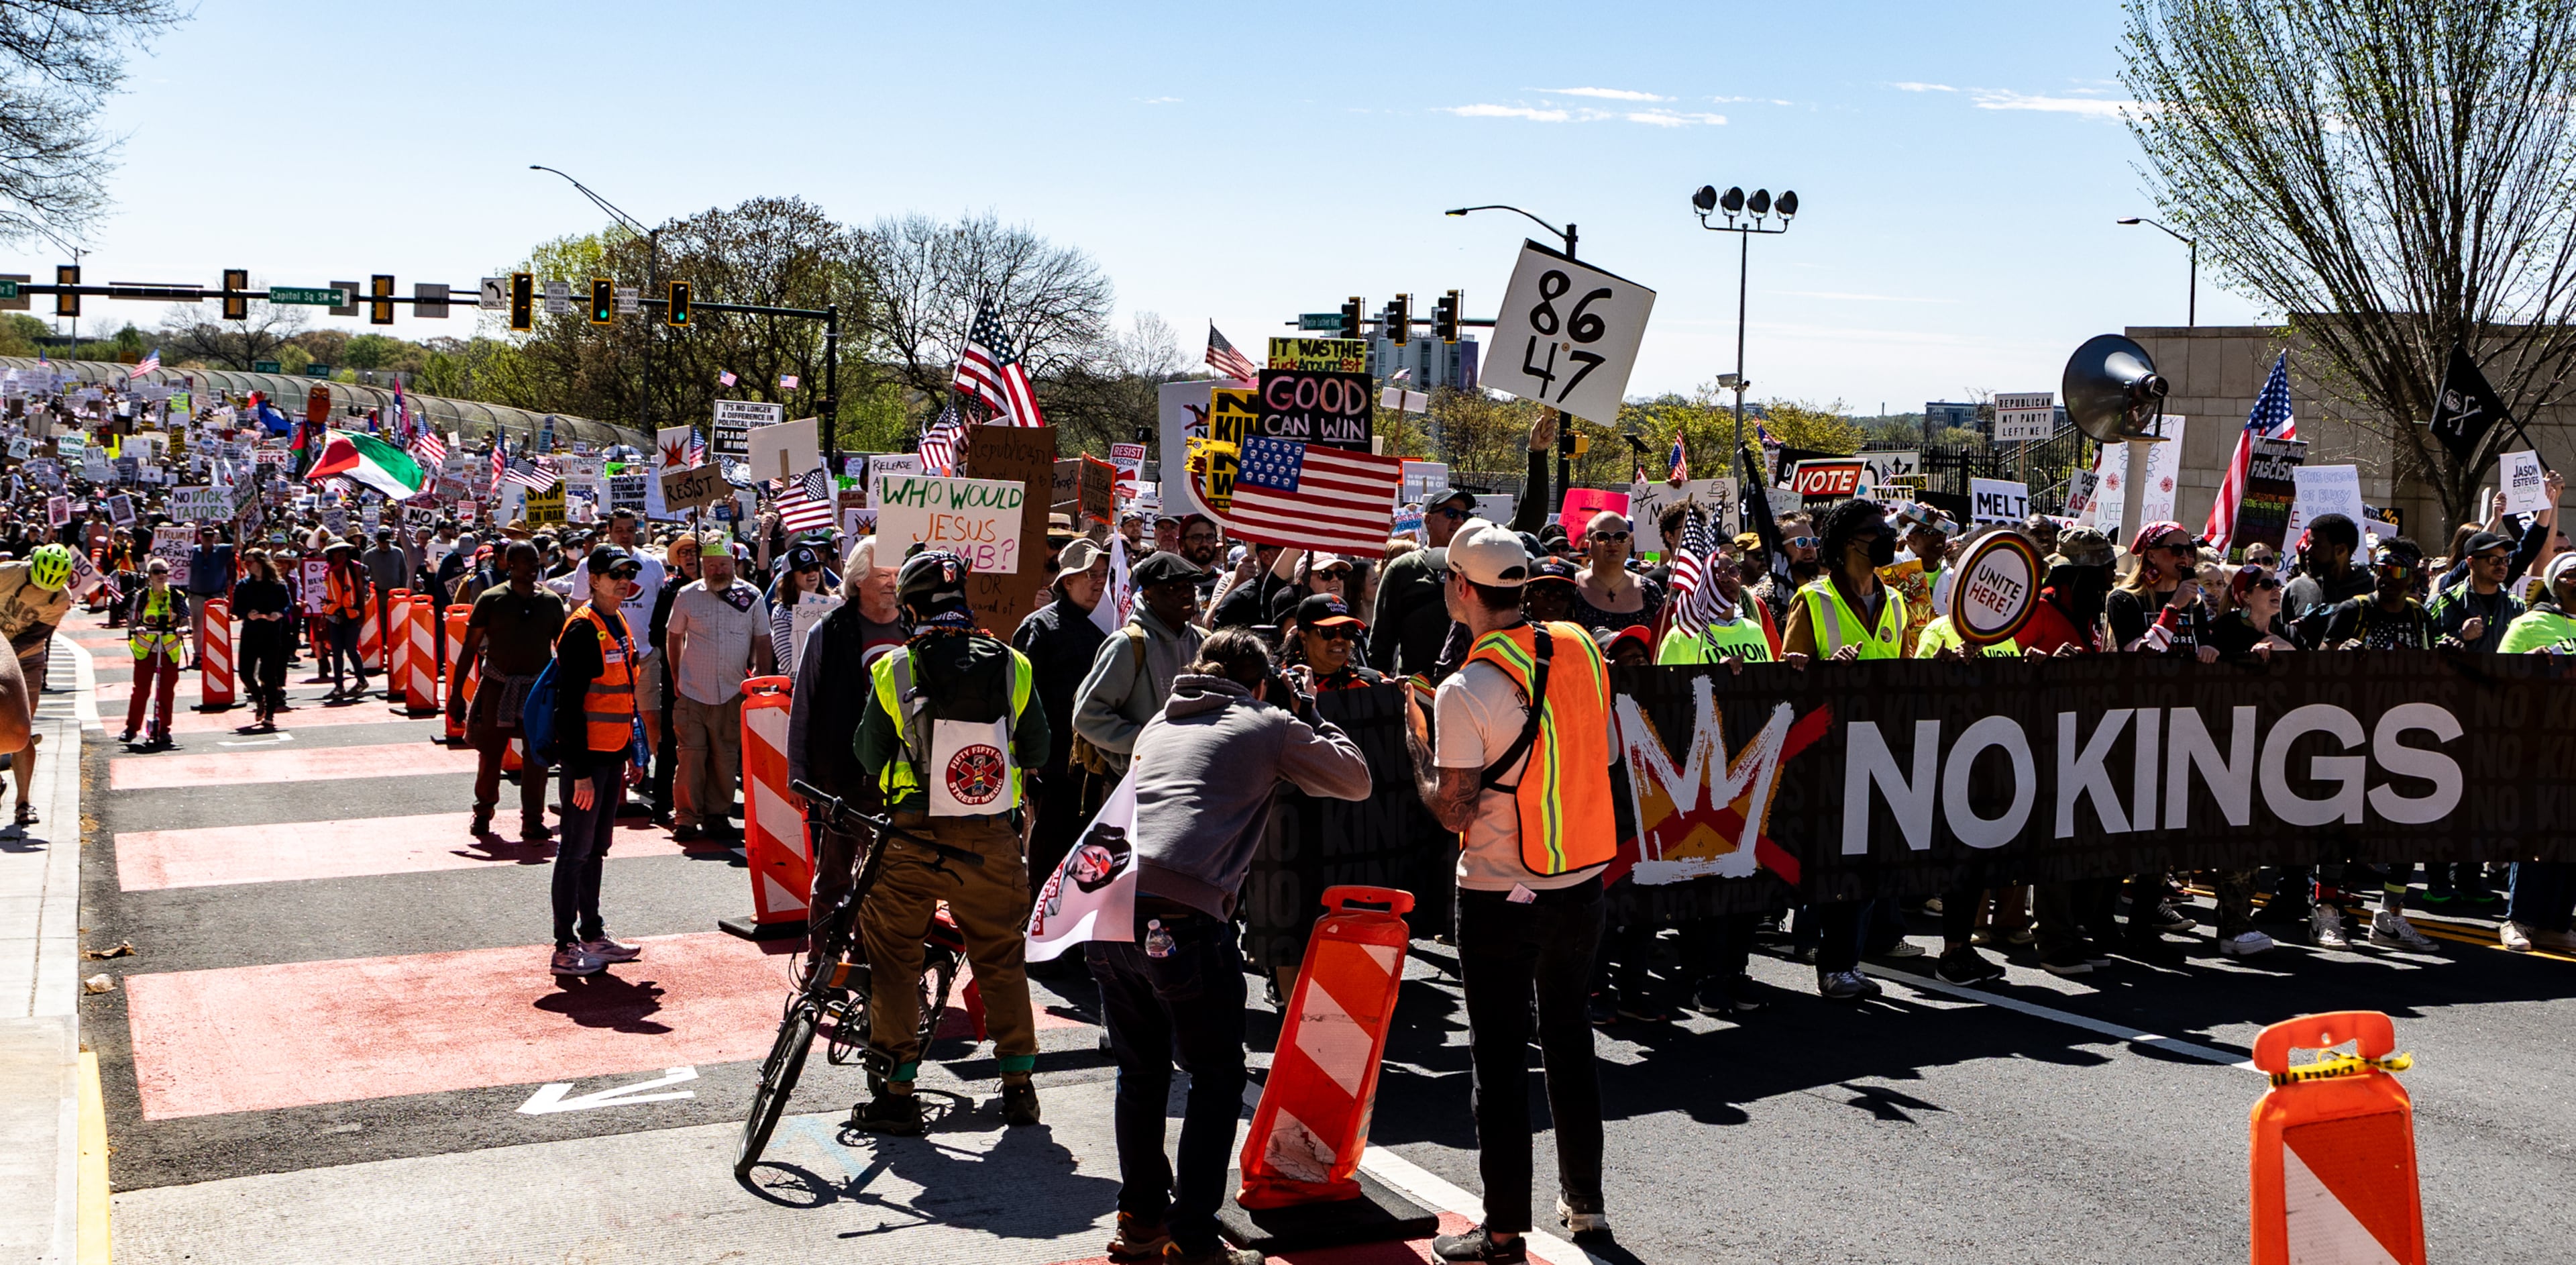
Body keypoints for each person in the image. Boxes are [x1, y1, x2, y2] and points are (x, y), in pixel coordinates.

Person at [1091, 627, 1371, 1265]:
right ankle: (1192, 1237)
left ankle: (1140, 1221)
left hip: (1109, 912)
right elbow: (1354, 779)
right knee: (1216, 1077)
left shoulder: (1158, 723)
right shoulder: (1266, 720)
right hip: (1182, 919)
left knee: (1141, 1072)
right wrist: (1308, 710)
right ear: (1262, 682)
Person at [1405, 518, 1618, 1260]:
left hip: (1500, 890)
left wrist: (1418, 751)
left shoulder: (1467, 688)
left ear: (1461, 589)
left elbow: (1454, 808)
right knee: (1568, 1038)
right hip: (1582, 880)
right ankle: (1585, 1205)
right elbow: (1605, 751)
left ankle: (1502, 1234)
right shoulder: (1582, 648)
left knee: (1498, 1059)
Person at [849, 550, 1050, 1135]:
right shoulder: (1014, 664)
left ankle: (897, 1091)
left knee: (894, 962)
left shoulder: (894, 669)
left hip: (911, 838)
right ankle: (1018, 1087)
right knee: (1001, 959)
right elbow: (1036, 752)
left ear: (911, 609)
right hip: (989, 837)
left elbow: (868, 756)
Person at [788, 535, 912, 960]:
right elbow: (803, 702)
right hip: (843, 775)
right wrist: (798, 771)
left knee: (887, 879)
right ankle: (821, 964)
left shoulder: (917, 629)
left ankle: (868, 963)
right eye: (882, 575)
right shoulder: (830, 630)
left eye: (897, 574)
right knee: (835, 876)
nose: (892, 583)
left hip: (905, 777)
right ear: (859, 581)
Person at [544, 546, 649, 978]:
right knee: (574, 851)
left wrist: (633, 753)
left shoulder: (617, 621)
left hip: (611, 754)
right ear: (593, 579)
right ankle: (565, 945)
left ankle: (592, 934)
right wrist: (581, 773)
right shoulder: (583, 628)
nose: (623, 580)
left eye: (627, 573)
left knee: (596, 850)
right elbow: (568, 708)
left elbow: (623, 692)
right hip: (586, 762)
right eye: (614, 574)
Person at [1013, 537, 1111, 905]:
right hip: (1055, 769)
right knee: (1052, 856)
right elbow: (1021, 697)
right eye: (1089, 574)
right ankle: (1043, 929)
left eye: (1103, 573)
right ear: (1067, 581)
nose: (1098, 581)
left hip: (1104, 769)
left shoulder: (1112, 624)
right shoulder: (1040, 627)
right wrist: (1025, 759)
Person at [453, 542, 566, 841]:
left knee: (537, 756)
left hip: (537, 691)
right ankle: (483, 812)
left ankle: (532, 819)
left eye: (535, 561)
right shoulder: (491, 600)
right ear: (509, 563)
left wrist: (566, 694)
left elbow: (564, 651)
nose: (533, 566)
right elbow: (469, 648)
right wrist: (454, 695)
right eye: (525, 561)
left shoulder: (552, 603)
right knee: (490, 754)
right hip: (497, 686)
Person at [664, 532, 771, 842]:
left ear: (733, 563)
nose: (717, 571)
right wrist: (675, 676)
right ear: (703, 565)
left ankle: (717, 815)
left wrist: (761, 680)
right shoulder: (687, 595)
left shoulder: (752, 596)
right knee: (691, 756)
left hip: (733, 691)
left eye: (723, 565)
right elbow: (674, 636)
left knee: (725, 757)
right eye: (711, 566)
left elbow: (762, 639)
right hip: (693, 691)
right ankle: (685, 817)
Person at [1073, 551, 1210, 779]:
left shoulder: (1204, 642)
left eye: (1188, 586)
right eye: (1172, 588)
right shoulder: (1128, 644)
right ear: (1148, 594)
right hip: (1136, 781)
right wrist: (1146, 741)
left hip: (1192, 774)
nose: (1186, 594)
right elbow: (1088, 716)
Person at [123, 557, 190, 748]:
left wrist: (183, 629)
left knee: (167, 692)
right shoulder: (142, 596)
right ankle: (131, 728)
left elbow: (185, 619)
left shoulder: (177, 596)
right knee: (141, 691)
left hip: (169, 650)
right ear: (150, 576)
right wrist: (139, 628)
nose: (161, 576)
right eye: (157, 572)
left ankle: (164, 730)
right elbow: (132, 620)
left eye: (165, 572)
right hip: (146, 650)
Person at [2282, 513, 2373, 648]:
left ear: (2341, 550)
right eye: (2309, 543)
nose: (2308, 550)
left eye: (2316, 545)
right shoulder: (2295, 589)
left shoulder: (2372, 590)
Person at [2428, 530, 2522, 657]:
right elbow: (2421, 646)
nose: (2502, 566)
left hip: (2501, 677)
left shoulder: (2517, 605)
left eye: (2505, 560)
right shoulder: (2443, 602)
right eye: (2494, 560)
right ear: (2471, 562)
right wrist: (2460, 635)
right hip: (2457, 676)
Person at [231, 549, 294, 731]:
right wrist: (247, 614)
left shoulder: (277, 584)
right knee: (245, 674)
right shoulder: (243, 585)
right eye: (245, 563)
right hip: (251, 632)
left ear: (260, 562)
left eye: (250, 562)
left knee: (268, 675)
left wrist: (279, 614)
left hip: (271, 633)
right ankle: (260, 699)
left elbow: (288, 604)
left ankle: (270, 714)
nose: (247, 566)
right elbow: (236, 608)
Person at [1571, 511, 1662, 634]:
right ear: (1588, 545)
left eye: (1621, 537)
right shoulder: (1571, 588)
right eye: (1603, 537)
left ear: (1629, 542)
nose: (1612, 543)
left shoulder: (1650, 591)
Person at [320, 540, 373, 700]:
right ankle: (339, 687)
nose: (341, 553)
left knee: (351, 649)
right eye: (336, 551)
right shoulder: (327, 571)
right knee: (336, 652)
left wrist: (363, 615)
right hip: (335, 615)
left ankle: (362, 681)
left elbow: (360, 590)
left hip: (353, 614)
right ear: (331, 554)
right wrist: (325, 615)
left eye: (343, 550)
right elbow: (330, 595)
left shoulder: (354, 567)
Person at [182, 523, 233, 668]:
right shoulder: (191, 551)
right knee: (198, 627)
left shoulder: (221, 550)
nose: (208, 538)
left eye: (211, 535)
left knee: (218, 627)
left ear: (215, 537)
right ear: (200, 536)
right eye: (206, 535)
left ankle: (217, 654)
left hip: (216, 594)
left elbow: (237, 546)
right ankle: (198, 655)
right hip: (196, 595)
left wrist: (238, 528)